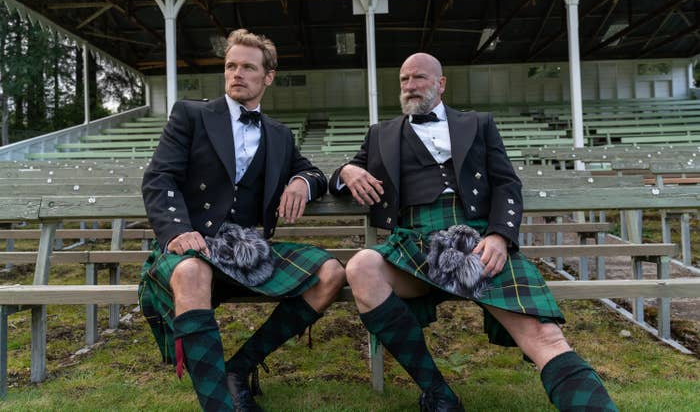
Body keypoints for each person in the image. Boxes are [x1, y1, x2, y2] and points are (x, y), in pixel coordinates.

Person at [330, 52, 617, 412]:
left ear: (441, 83)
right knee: (360, 268)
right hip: (414, 240)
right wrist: (345, 170)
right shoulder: (380, 133)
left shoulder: (478, 123)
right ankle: (439, 395)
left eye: (419, 78)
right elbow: (343, 180)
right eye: (404, 80)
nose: (410, 86)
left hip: (477, 240)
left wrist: (499, 236)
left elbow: (506, 183)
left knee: (544, 335)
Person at [139, 29, 345, 412]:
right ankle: (221, 406)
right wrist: (178, 231)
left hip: (245, 249)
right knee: (189, 273)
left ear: (268, 76)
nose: (237, 73)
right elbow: (159, 178)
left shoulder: (280, 135)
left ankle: (240, 367)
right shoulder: (192, 114)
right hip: (194, 240)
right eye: (231, 66)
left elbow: (315, 173)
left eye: (248, 67)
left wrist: (301, 181)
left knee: (331, 272)